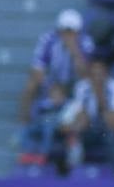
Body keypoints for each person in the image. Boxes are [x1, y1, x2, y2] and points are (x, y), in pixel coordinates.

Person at [17, 9, 94, 163]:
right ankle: (23, 126)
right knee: (30, 85)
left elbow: (87, 74)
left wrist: (75, 51)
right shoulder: (48, 40)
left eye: (71, 32)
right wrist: (51, 88)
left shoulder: (85, 42)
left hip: (74, 88)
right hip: (52, 85)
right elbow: (36, 69)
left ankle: (72, 141)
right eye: (65, 31)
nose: (67, 35)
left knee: (86, 90)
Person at [60, 57, 114, 176]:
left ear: (107, 74)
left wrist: (100, 95)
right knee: (73, 136)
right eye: (93, 74)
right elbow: (80, 116)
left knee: (111, 137)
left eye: (100, 74)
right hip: (91, 129)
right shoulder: (82, 86)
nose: (97, 77)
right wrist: (77, 126)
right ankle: (73, 173)